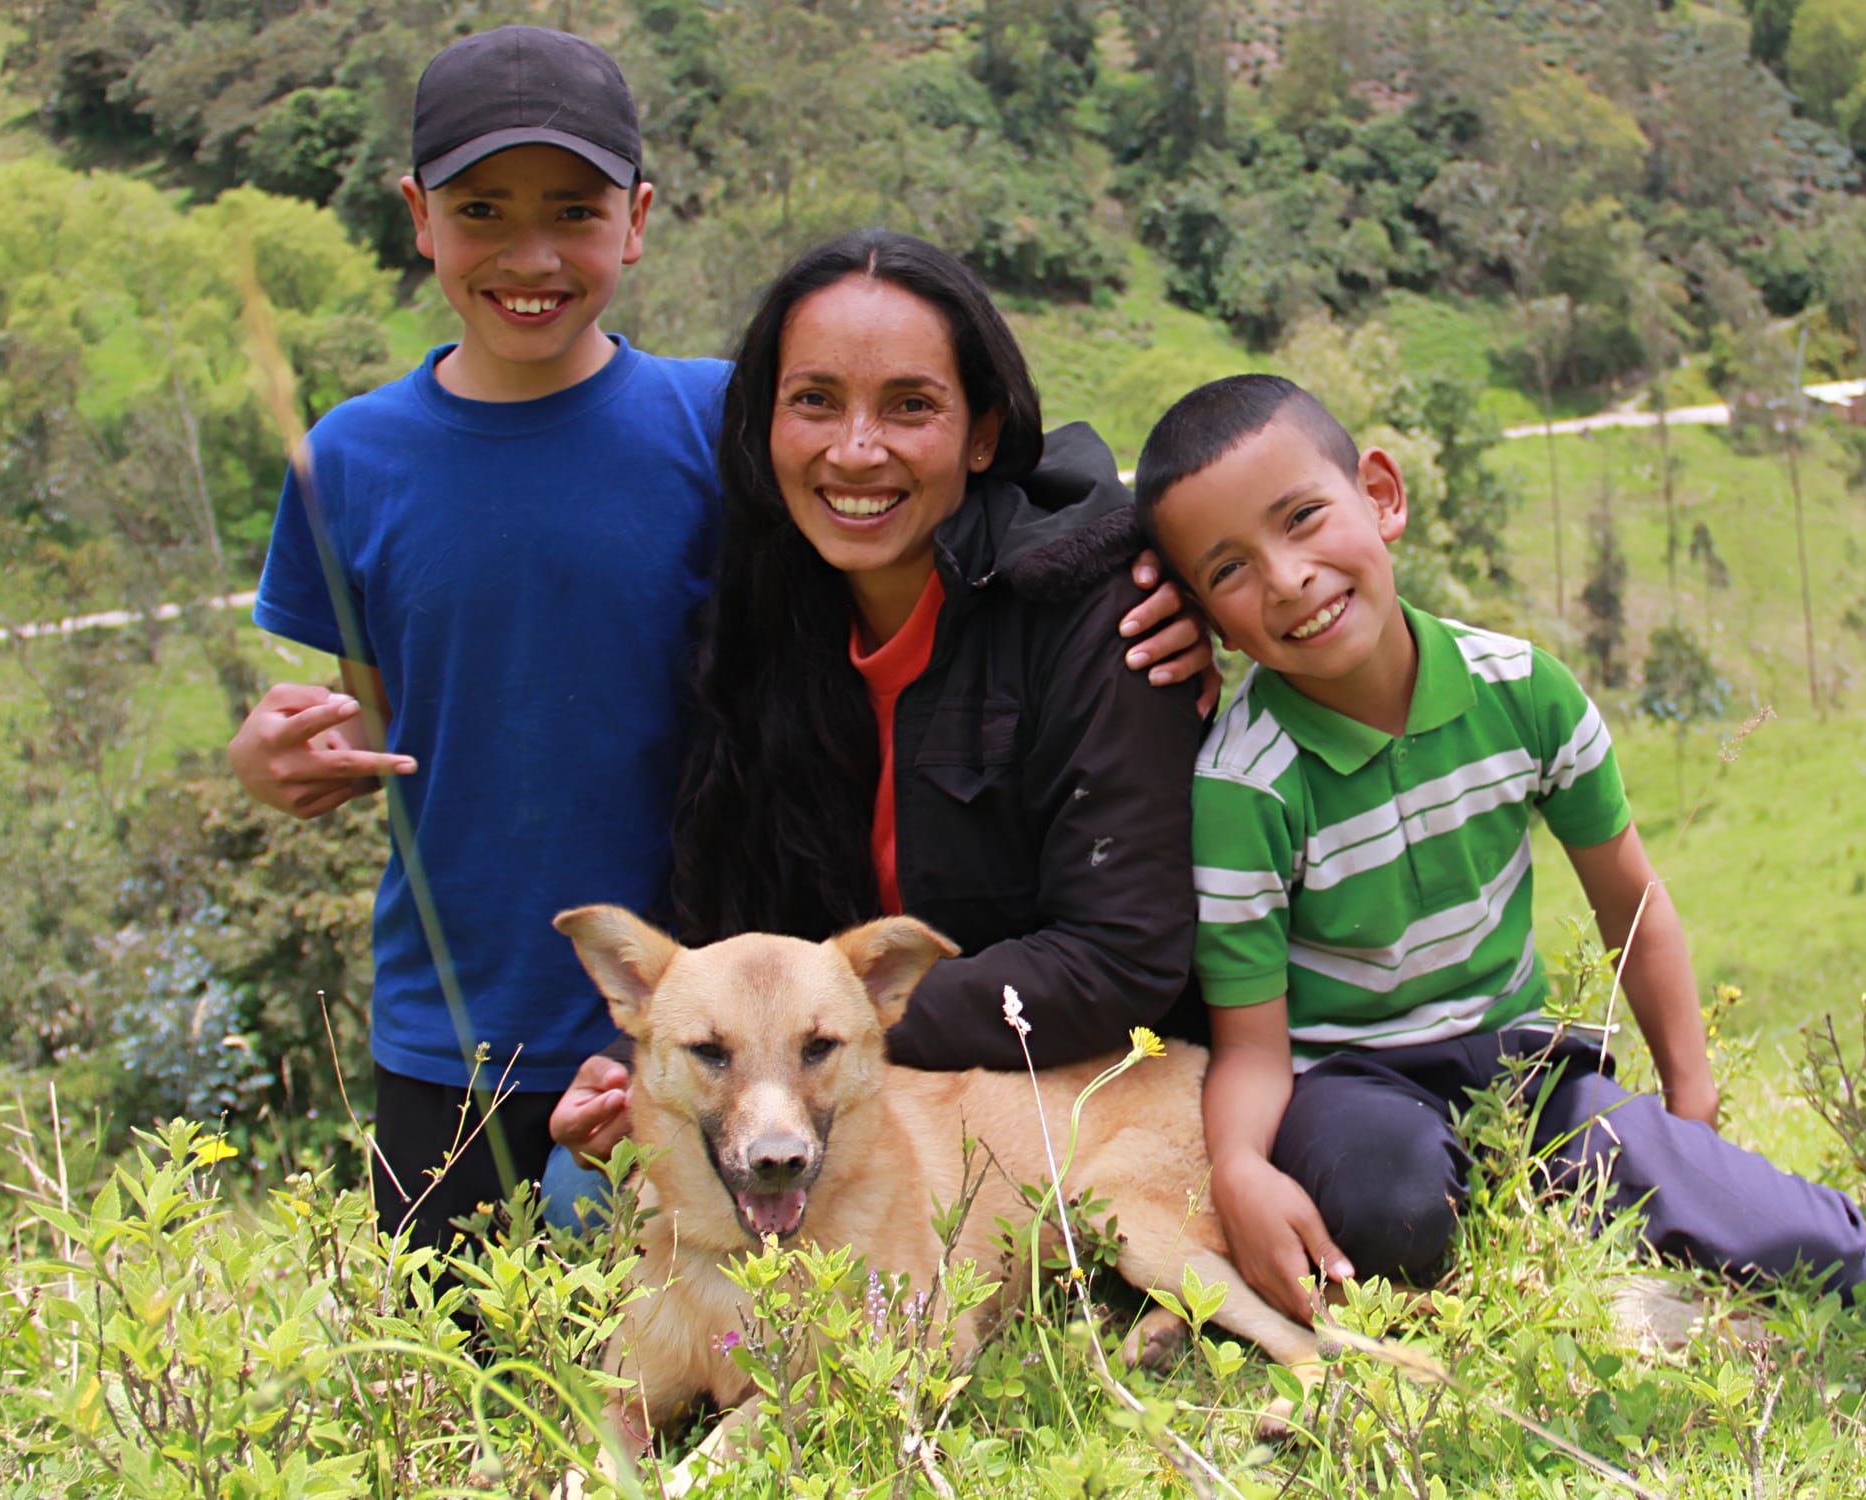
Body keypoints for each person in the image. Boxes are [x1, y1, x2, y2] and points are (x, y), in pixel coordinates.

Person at [228, 29, 1206, 1248]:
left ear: (633, 220)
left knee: (689, 1281)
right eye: (482, 210)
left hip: (726, 1020)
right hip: (483, 1008)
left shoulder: (705, 423)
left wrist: (1166, 568)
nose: (531, 254)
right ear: (417, 215)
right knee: (469, 1348)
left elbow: (1005, 460)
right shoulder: (352, 461)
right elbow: (381, 718)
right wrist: (273, 765)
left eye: (573, 212)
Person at [1132, 373, 1866, 1325]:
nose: (1287, 580)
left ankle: (1562, 1191)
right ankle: (1497, 1235)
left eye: (1305, 518)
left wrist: (1691, 1105)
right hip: (1350, 1090)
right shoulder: (1245, 783)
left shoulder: (1527, 692)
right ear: (1205, 615)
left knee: (1823, 1255)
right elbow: (1252, 1045)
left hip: (1524, 1072)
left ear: (1382, 496)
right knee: (1388, 1209)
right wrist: (1238, 1168)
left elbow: (1632, 906)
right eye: (1229, 570)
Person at [545, 231, 1206, 1197]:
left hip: (1066, 1094)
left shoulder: (1101, 614)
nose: (856, 450)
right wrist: (676, 1068)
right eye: (814, 401)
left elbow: (1119, 958)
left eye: (910, 406)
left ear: (982, 432)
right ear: (765, 427)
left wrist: (836, 1035)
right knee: (587, 1192)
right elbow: (740, 937)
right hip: (834, 1090)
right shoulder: (761, 622)